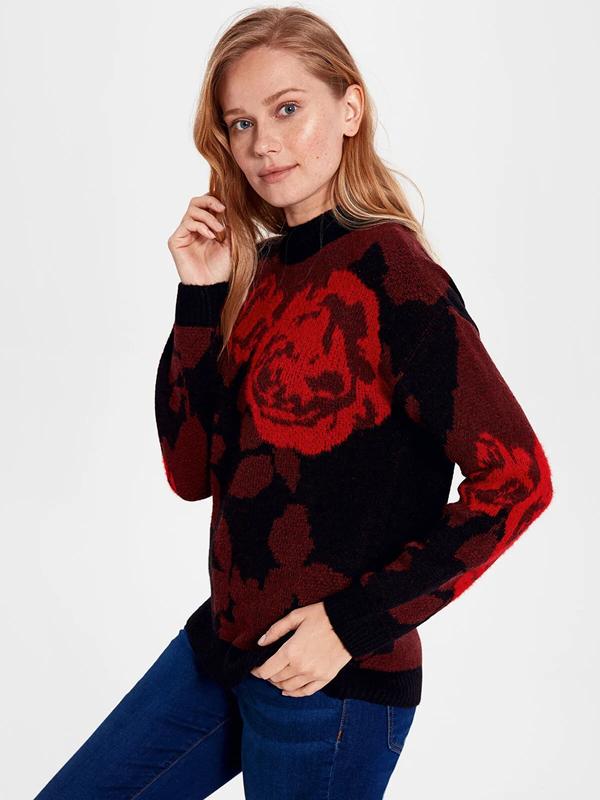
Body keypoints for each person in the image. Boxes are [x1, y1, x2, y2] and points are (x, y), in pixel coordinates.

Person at [34, 6, 554, 799]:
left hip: (329, 688)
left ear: (349, 109)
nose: (262, 144)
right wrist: (201, 296)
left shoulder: (395, 272)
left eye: (287, 109)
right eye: (240, 123)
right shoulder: (261, 273)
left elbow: (518, 479)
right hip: (221, 649)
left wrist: (352, 625)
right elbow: (190, 473)